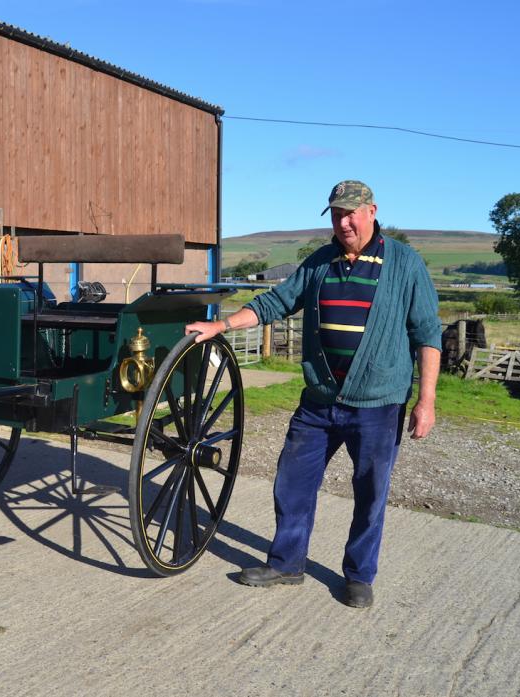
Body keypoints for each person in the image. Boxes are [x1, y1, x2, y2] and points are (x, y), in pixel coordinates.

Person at [186, 180, 441, 608]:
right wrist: (221, 326)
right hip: (320, 400)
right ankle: (287, 563)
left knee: (371, 491)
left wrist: (426, 401)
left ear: (372, 211)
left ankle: (359, 576)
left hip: (378, 404)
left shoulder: (404, 263)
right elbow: (274, 303)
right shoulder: (320, 262)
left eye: (351, 213)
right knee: (292, 482)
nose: (344, 222)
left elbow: (428, 334)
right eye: (337, 214)